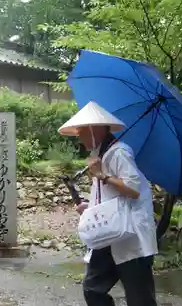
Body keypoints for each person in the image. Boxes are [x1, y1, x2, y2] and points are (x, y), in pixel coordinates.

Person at [58, 101, 158, 306]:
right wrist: (89, 208)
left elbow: (133, 189)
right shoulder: (100, 156)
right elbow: (109, 196)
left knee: (140, 298)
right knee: (93, 288)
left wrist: (102, 176)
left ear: (95, 130)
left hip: (130, 235)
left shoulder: (119, 152)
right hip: (108, 233)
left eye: (82, 131)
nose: (79, 136)